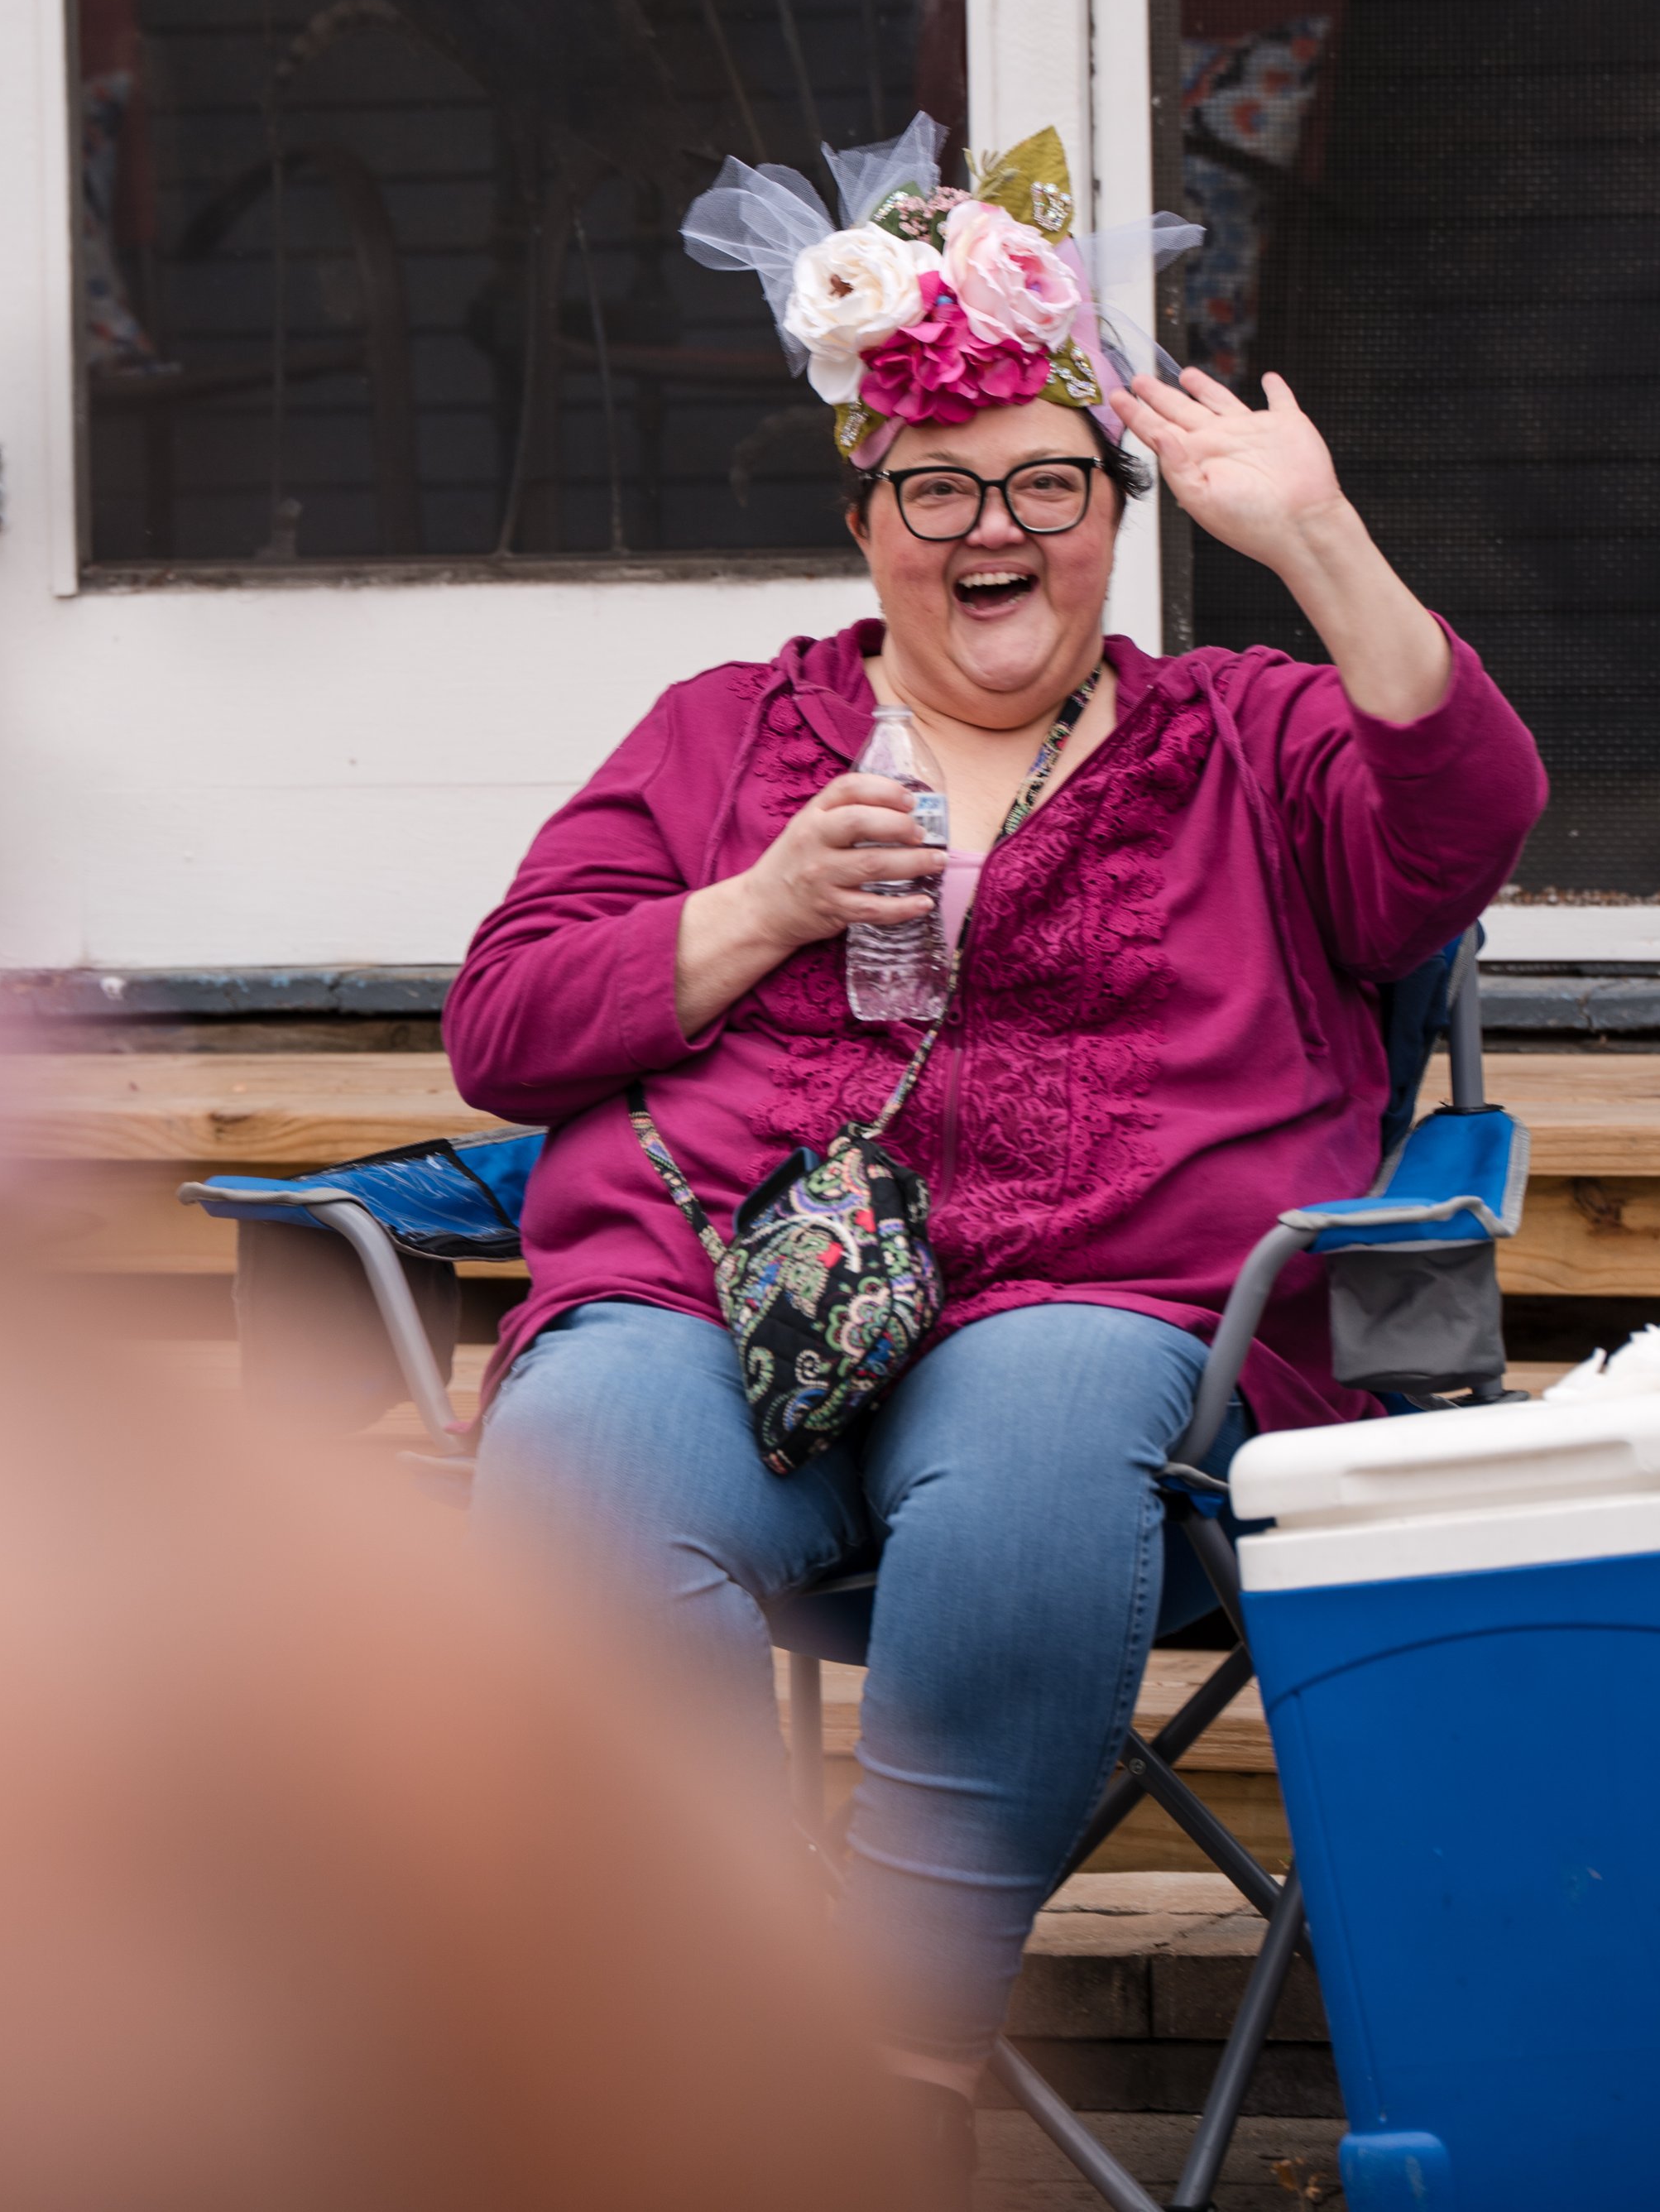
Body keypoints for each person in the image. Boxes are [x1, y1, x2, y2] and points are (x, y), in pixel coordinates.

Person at [446, 119, 1547, 2197]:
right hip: (718, 1309)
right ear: (865, 522)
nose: (993, 530)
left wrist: (1316, 538)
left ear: (1112, 518)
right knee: (579, 1465)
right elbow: (505, 1026)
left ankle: (886, 2061)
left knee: (1040, 1421)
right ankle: (705, 2043)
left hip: (1110, 1326)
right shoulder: (718, 738)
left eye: (1048, 484)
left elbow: (1466, 816)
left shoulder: (1243, 740)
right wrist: (757, 907)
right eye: (935, 488)